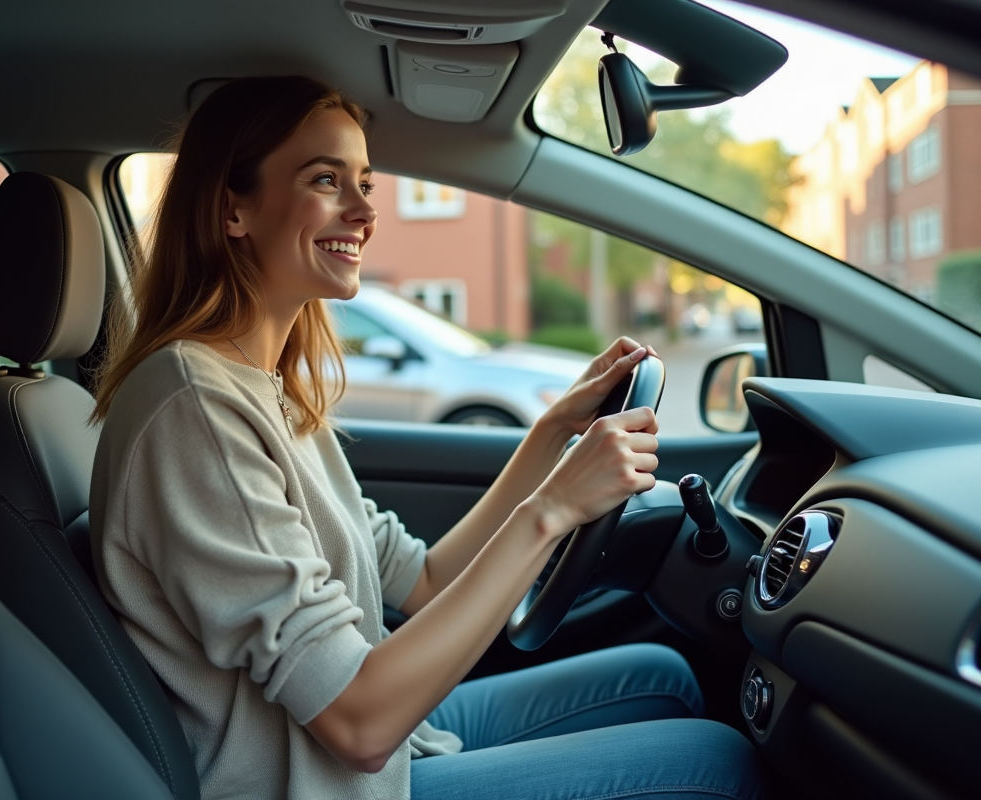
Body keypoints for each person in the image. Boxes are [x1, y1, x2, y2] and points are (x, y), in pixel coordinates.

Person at [89, 75, 763, 800]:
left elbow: (426, 581)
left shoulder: (267, 391)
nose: (364, 211)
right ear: (233, 209)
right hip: (325, 783)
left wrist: (550, 434)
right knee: (717, 763)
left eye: (365, 183)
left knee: (659, 675)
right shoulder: (196, 408)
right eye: (326, 180)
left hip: (391, 749)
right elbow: (359, 723)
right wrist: (553, 510)